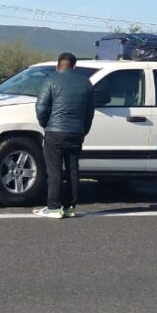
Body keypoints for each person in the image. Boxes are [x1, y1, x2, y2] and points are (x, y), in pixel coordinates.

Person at [34, 52, 94, 219]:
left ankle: (54, 207)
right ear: (75, 66)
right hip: (76, 132)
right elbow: (90, 112)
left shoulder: (51, 80)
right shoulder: (86, 83)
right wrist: (84, 130)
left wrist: (45, 124)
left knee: (54, 170)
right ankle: (70, 206)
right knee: (73, 169)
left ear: (58, 66)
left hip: (55, 131)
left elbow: (41, 107)